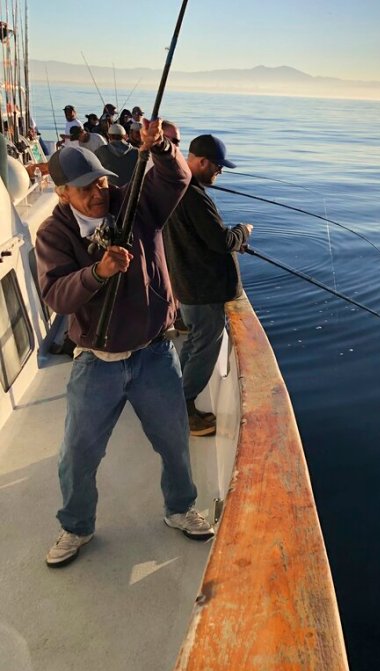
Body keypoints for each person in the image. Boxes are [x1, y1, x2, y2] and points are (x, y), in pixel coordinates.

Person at [35, 121, 214, 568]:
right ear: (61, 192)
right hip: (97, 361)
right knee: (78, 453)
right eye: (84, 188)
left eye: (100, 181)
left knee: (174, 442)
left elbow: (175, 177)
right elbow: (56, 293)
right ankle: (76, 526)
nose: (98, 192)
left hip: (153, 353)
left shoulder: (134, 204)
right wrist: (98, 273)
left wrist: (161, 147)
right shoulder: (53, 234)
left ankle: (180, 509)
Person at [164, 134, 252, 436]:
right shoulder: (194, 195)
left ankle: (173, 395)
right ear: (201, 162)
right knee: (205, 346)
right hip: (201, 290)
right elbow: (221, 240)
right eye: (217, 166)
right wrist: (242, 231)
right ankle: (183, 410)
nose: (220, 172)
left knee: (195, 341)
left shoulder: (178, 188)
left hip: (188, 285)